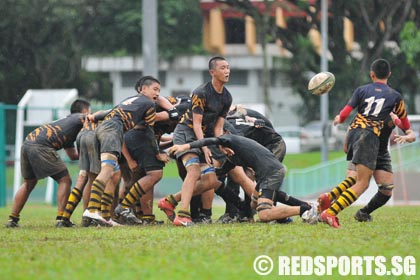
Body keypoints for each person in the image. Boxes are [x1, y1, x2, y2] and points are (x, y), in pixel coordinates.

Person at [319, 58, 410, 228]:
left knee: (384, 188)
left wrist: (340, 120)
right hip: (369, 139)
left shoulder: (361, 90)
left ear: (372, 74)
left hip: (360, 135)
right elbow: (405, 123)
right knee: (362, 183)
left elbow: (346, 112)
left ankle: (344, 204)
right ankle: (330, 212)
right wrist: (409, 133)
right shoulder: (395, 96)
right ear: (389, 74)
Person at [168, 133, 318, 224]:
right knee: (254, 203)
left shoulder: (230, 139)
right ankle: (305, 206)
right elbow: (218, 174)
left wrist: (185, 147)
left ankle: (304, 210)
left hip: (271, 173)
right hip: (268, 173)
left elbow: (208, 141)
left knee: (264, 214)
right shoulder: (232, 156)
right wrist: (203, 173)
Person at [158, 56, 233, 226]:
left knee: (211, 181)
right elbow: (197, 125)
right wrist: (205, 148)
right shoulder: (201, 93)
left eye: (228, 67)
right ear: (212, 72)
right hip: (185, 134)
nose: (227, 71)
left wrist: (220, 146)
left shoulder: (227, 98)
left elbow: (218, 128)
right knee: (193, 171)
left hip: (202, 138)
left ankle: (170, 201)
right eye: (223, 68)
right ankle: (183, 215)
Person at [82, 76, 162, 227]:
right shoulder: (149, 104)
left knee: (111, 173)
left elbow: (107, 112)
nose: (157, 93)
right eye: (155, 89)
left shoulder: (130, 100)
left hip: (102, 128)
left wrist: (93, 116)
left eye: (159, 90)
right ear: (143, 89)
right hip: (113, 130)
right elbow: (149, 131)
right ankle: (92, 210)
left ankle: (99, 215)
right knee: (107, 170)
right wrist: (158, 154)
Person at [6, 99, 91, 228]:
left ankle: (12, 220)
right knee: (65, 180)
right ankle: (62, 219)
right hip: (41, 146)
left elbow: (73, 155)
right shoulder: (78, 117)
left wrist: (90, 155)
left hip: (28, 143)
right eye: (90, 112)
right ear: (85, 111)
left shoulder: (67, 126)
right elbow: (93, 118)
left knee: (29, 183)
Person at [317, 113, 415, 222]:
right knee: (360, 183)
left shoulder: (391, 113)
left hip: (379, 153)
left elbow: (406, 129)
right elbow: (351, 127)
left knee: (385, 190)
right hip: (363, 147)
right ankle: (328, 211)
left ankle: (361, 212)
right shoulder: (368, 110)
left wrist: (408, 135)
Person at [57, 109, 111, 227]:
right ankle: (95, 216)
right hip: (94, 136)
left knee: (83, 178)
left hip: (81, 136)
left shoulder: (76, 120)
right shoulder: (119, 112)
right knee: (100, 178)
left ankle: (65, 218)